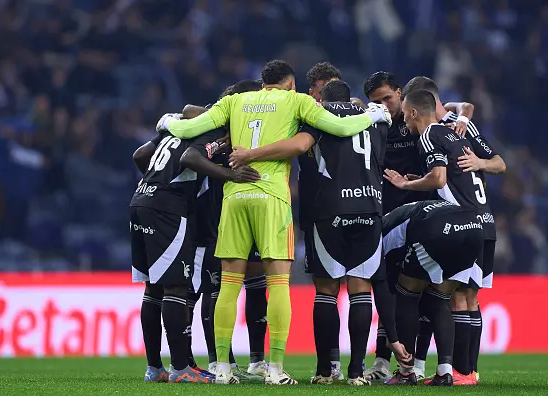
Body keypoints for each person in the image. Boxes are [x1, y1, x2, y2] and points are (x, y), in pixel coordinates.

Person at [157, 59, 391, 385]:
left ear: (263, 82)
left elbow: (188, 129)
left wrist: (169, 121)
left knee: (229, 284)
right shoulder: (296, 101)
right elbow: (340, 128)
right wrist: (371, 115)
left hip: (234, 198)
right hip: (271, 197)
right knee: (278, 282)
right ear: (290, 84)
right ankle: (275, 369)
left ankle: (222, 368)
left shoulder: (235, 101)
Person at [229, 79, 408, 386]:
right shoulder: (377, 120)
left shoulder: (317, 117)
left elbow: (300, 146)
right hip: (369, 208)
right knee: (360, 290)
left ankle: (326, 370)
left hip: (330, 208)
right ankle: (356, 372)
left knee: (326, 291)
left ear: (322, 98)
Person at [130, 115, 260, 384]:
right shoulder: (211, 131)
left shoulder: (178, 128)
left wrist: (158, 180)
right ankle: (181, 368)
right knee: (176, 288)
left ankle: (155, 368)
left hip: (141, 199)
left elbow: (140, 155)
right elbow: (190, 158)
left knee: (153, 288)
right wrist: (230, 174)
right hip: (167, 210)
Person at [362, 71, 474, 382]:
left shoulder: (421, 123)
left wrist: (463, 114)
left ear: (400, 94)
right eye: (377, 101)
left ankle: (415, 366)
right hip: (390, 216)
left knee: (417, 294)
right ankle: (386, 361)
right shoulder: (375, 122)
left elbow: (458, 105)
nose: (384, 105)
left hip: (427, 219)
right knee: (391, 289)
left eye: (387, 98)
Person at [384, 88, 496, 385]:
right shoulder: (455, 132)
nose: (404, 117)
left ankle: (408, 371)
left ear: (412, 112)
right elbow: (441, 176)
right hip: (476, 224)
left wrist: (407, 186)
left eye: (406, 112)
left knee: (408, 291)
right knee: (445, 297)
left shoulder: (429, 135)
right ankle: (454, 371)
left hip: (449, 222)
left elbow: (439, 178)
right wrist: (419, 181)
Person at [187, 80, 267, 381]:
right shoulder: (216, 132)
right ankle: (218, 360)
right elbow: (188, 112)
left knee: (256, 278)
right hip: (214, 220)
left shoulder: (255, 128)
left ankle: (256, 359)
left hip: (253, 211)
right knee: (213, 287)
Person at [381, 200, 484, 386]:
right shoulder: (400, 213)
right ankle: (445, 372)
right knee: (439, 300)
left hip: (438, 230)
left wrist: (393, 336)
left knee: (406, 294)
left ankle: (406, 373)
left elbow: (387, 293)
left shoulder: (380, 236)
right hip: (474, 228)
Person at [303, 61, 344, 381]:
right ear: (312, 91)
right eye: (322, 91)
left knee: (359, 288)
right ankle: (329, 364)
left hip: (355, 208)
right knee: (326, 288)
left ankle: (365, 364)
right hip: (316, 209)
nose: (328, 98)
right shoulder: (301, 115)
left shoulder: (355, 114)